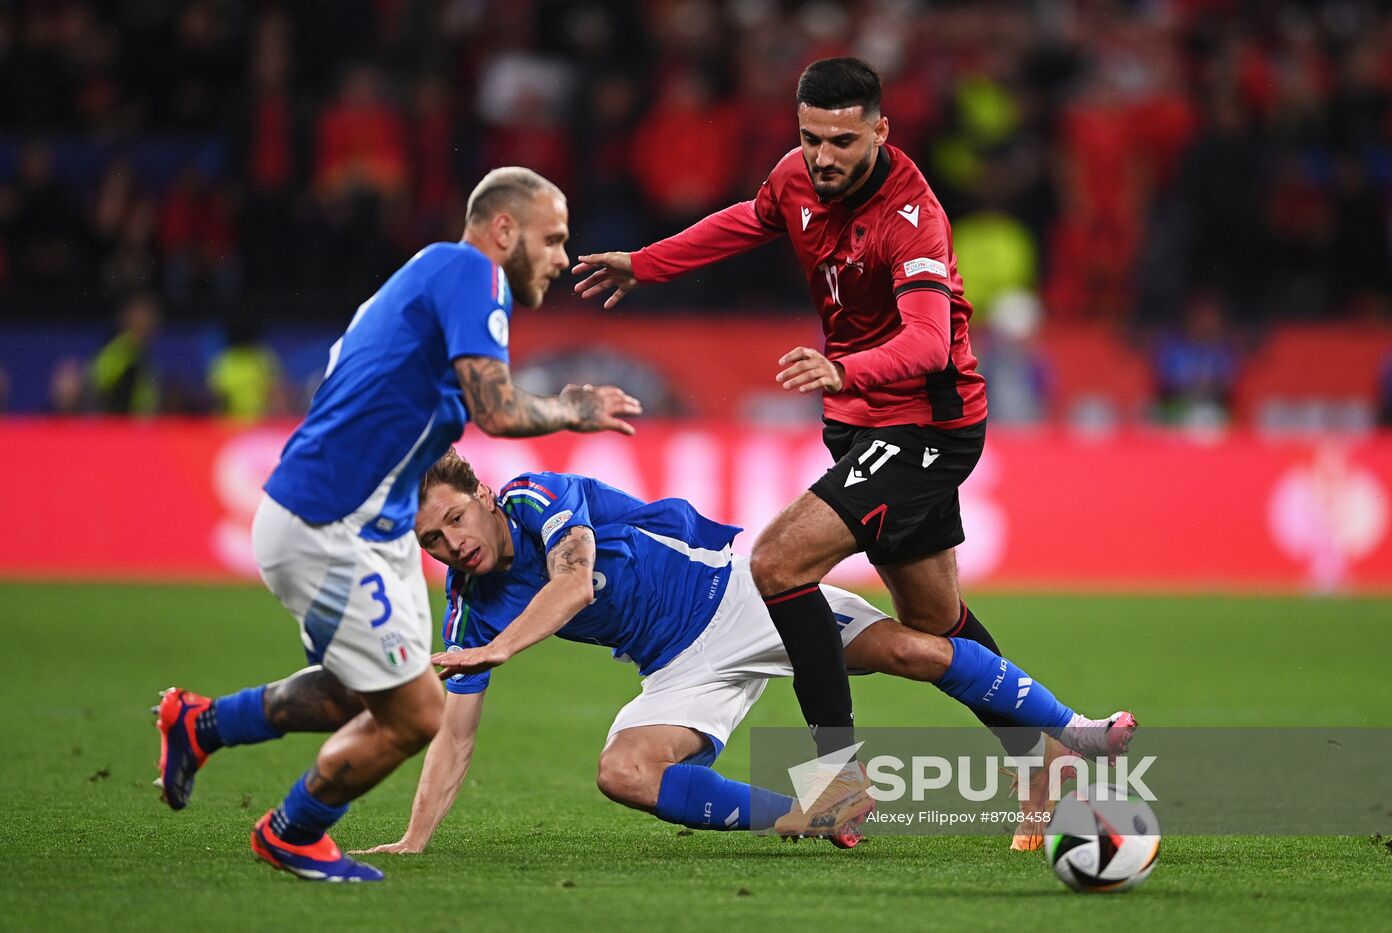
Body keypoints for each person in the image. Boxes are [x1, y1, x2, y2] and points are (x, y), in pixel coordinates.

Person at [574, 58, 1028, 842]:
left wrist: (843, 367)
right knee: (934, 619)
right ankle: (1042, 758)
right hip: (861, 418)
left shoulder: (912, 217)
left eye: (843, 141)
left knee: (781, 562)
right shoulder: (796, 179)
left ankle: (838, 782)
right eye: (812, 137)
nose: (824, 157)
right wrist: (646, 263)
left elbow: (927, 340)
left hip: (924, 424)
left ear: (881, 131)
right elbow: (745, 221)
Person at [153, 167, 642, 883]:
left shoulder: (428, 279)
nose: (563, 258)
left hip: (365, 528)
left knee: (371, 692)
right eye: (555, 239)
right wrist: (570, 407)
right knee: (417, 712)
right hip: (329, 523)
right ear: (504, 230)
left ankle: (202, 724)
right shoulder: (471, 272)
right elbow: (498, 410)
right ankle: (292, 830)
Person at [328, 449, 1133, 853]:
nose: (450, 544)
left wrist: (501, 648)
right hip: (677, 666)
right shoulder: (469, 603)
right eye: (432, 540)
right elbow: (455, 731)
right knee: (623, 772)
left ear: (481, 494)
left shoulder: (539, 497)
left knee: (911, 651)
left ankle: (1074, 729)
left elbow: (573, 583)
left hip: (736, 593)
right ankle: (819, 815)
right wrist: (414, 837)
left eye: (453, 521)